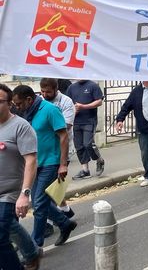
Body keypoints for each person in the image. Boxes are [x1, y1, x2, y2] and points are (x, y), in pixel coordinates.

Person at [12, 85, 77, 247]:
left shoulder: (50, 110)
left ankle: (35, 244)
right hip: (34, 163)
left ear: (29, 99)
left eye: (19, 104)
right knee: (40, 202)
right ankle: (64, 223)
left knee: (39, 204)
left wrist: (63, 164)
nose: (17, 107)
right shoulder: (26, 113)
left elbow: (63, 137)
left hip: (51, 162)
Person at [0, 84, 40, 269]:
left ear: (9, 104)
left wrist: (25, 194)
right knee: (7, 231)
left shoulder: (20, 126)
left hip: (8, 194)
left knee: (0, 237)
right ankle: (31, 252)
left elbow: (31, 160)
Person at [39, 78, 76, 235]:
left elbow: (65, 126)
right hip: (44, 151)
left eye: (48, 92)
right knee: (54, 185)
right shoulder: (40, 101)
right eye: (42, 91)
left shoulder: (66, 102)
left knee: (49, 187)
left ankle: (48, 221)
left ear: (56, 89)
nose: (45, 95)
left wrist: (45, 125)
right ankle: (65, 209)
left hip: (62, 149)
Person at [66, 79, 105, 180]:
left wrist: (84, 106)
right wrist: (73, 111)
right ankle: (85, 170)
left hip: (89, 120)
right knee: (79, 146)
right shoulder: (71, 87)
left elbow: (99, 101)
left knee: (88, 144)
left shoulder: (93, 85)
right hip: (76, 121)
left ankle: (99, 160)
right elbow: (68, 104)